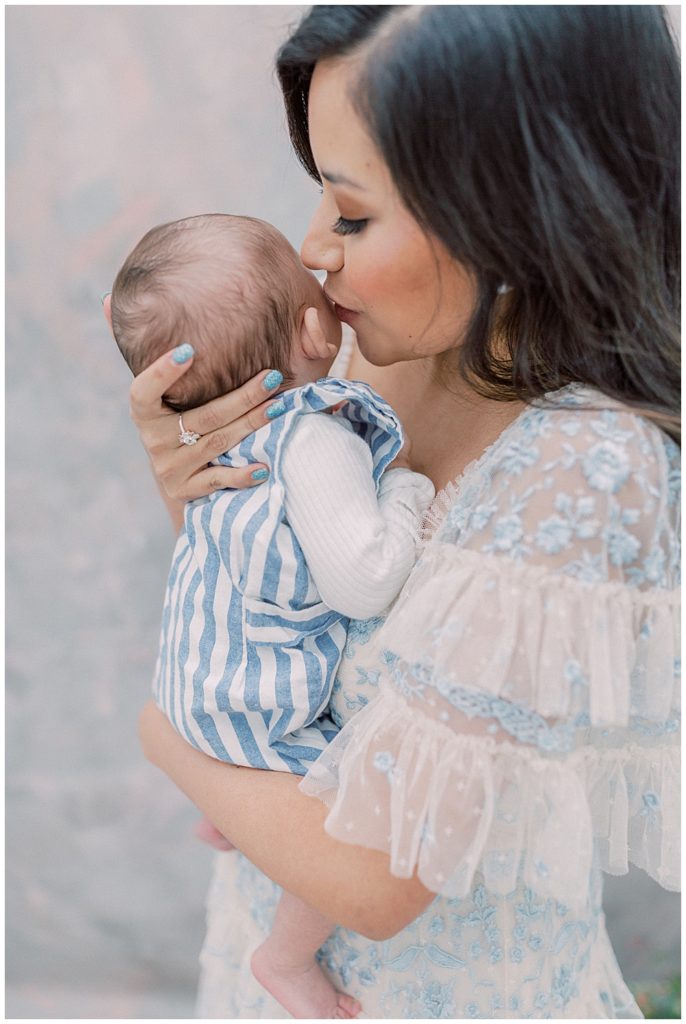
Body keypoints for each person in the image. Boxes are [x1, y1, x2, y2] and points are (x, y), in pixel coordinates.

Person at [130, 6, 679, 1018]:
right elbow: (275, 627)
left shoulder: (584, 466)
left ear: (513, 213)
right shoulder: (371, 375)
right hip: (261, 958)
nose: (312, 251)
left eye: (348, 214)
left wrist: (168, 737)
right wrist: (199, 493)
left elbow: (377, 875)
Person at [105, 212, 435, 1018]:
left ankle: (234, 814)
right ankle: (286, 959)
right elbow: (363, 583)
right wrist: (407, 492)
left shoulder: (225, 442)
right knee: (344, 809)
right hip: (249, 707)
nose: (323, 254)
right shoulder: (315, 440)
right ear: (313, 332)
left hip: (198, 684)